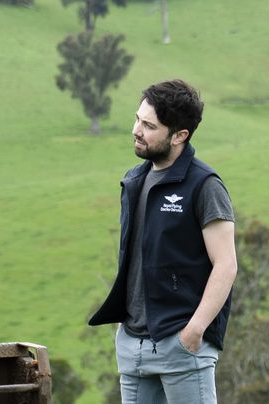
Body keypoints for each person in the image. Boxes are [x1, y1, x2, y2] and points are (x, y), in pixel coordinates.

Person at [89, 79, 238, 404]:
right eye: (137, 119)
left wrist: (194, 331)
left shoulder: (205, 186)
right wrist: (126, 334)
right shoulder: (134, 181)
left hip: (181, 345)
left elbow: (226, 265)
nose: (136, 130)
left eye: (149, 125)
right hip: (134, 347)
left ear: (179, 136)